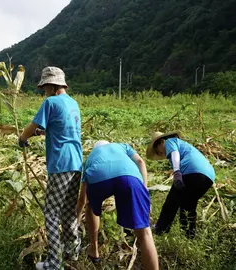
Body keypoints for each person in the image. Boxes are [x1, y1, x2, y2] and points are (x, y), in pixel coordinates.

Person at [19, 67, 83, 270]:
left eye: (44, 87)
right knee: (68, 210)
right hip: (76, 162)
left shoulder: (50, 102)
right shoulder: (73, 103)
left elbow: (31, 126)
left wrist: (22, 137)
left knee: (51, 213)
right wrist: (40, 132)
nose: (43, 91)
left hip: (61, 164)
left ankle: (54, 263)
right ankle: (72, 250)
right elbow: (58, 126)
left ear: (51, 85)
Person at [76, 140, 159, 270]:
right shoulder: (122, 146)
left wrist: (76, 222)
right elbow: (141, 162)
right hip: (129, 177)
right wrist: (144, 189)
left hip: (98, 176)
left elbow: (82, 199)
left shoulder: (91, 158)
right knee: (144, 232)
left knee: (91, 207)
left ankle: (94, 249)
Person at [146, 131, 215, 238]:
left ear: (161, 143)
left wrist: (177, 171)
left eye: (157, 150)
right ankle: (188, 235)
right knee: (188, 205)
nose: (159, 153)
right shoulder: (184, 146)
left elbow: (174, 153)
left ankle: (160, 229)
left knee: (171, 202)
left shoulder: (169, 141)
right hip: (208, 176)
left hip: (192, 171)